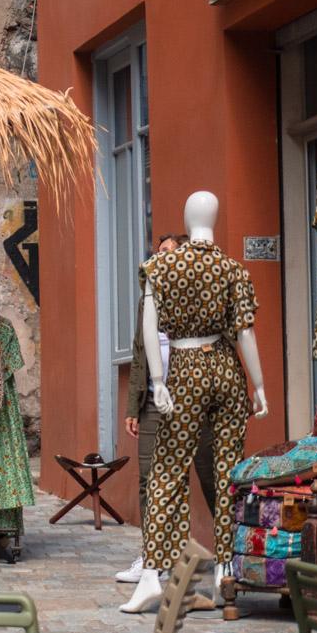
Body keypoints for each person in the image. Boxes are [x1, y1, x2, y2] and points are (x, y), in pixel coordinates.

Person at [117, 232, 214, 584]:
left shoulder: (201, 294)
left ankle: (230, 556)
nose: (165, 259)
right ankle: (152, 556)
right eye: (160, 254)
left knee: (209, 476)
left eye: (173, 253)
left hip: (196, 399)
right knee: (149, 480)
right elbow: (139, 349)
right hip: (154, 402)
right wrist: (133, 404)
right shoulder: (148, 299)